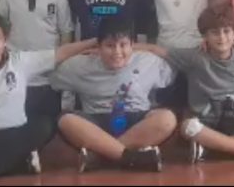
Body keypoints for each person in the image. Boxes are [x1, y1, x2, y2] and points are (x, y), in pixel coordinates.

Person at [0, 12, 97, 183]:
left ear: (5, 40)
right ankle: (17, 163)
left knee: (45, 125)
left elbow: (59, 53)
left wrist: (96, 41)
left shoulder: (20, 62)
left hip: (14, 136)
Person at [135, 6, 234, 163]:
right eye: (214, 33)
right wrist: (129, 47)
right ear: (205, 36)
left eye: (226, 31)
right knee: (187, 127)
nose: (222, 38)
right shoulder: (195, 57)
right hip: (206, 125)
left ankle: (212, 151)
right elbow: (156, 49)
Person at [50, 17, 177, 173]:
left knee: (167, 119)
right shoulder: (78, 65)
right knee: (66, 120)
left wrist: (145, 47)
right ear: (99, 47)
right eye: (109, 46)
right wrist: (84, 48)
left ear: (132, 45)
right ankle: (131, 157)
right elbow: (52, 65)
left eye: (123, 45)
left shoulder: (149, 61)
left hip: (137, 121)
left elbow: (174, 58)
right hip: (96, 124)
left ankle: (102, 157)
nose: (117, 52)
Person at [0, 0, 73, 119]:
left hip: (49, 69)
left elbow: (66, 31)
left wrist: (60, 61)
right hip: (16, 67)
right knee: (17, 118)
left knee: (48, 118)